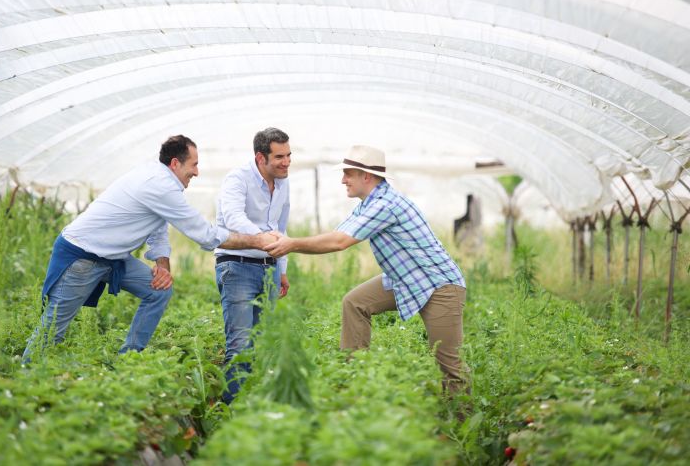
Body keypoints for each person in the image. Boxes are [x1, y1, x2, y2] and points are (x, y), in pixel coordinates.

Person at [23, 135, 277, 360]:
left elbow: (157, 227)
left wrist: (162, 265)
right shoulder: (160, 185)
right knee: (53, 327)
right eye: (194, 164)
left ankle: (130, 359)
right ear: (175, 163)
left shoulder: (159, 180)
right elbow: (205, 235)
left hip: (112, 258)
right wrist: (257, 241)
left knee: (158, 290)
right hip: (82, 256)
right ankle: (26, 373)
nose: (197, 172)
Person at [266, 145, 470, 396]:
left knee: (449, 365)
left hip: (439, 286)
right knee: (355, 303)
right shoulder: (369, 204)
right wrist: (289, 242)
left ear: (366, 176)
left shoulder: (385, 205)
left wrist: (291, 244)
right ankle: (354, 380)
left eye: (348, 174)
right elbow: (338, 234)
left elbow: (339, 242)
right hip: (406, 280)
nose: (343, 180)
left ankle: (461, 416)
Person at [214, 127, 292, 403]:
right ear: (261, 157)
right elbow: (232, 217)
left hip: (270, 268)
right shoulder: (238, 179)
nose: (286, 162)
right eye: (279, 157)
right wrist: (262, 238)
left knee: (259, 340)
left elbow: (281, 227)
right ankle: (230, 410)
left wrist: (282, 269)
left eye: (289, 155)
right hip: (237, 267)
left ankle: (251, 405)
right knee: (240, 344)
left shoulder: (283, 183)